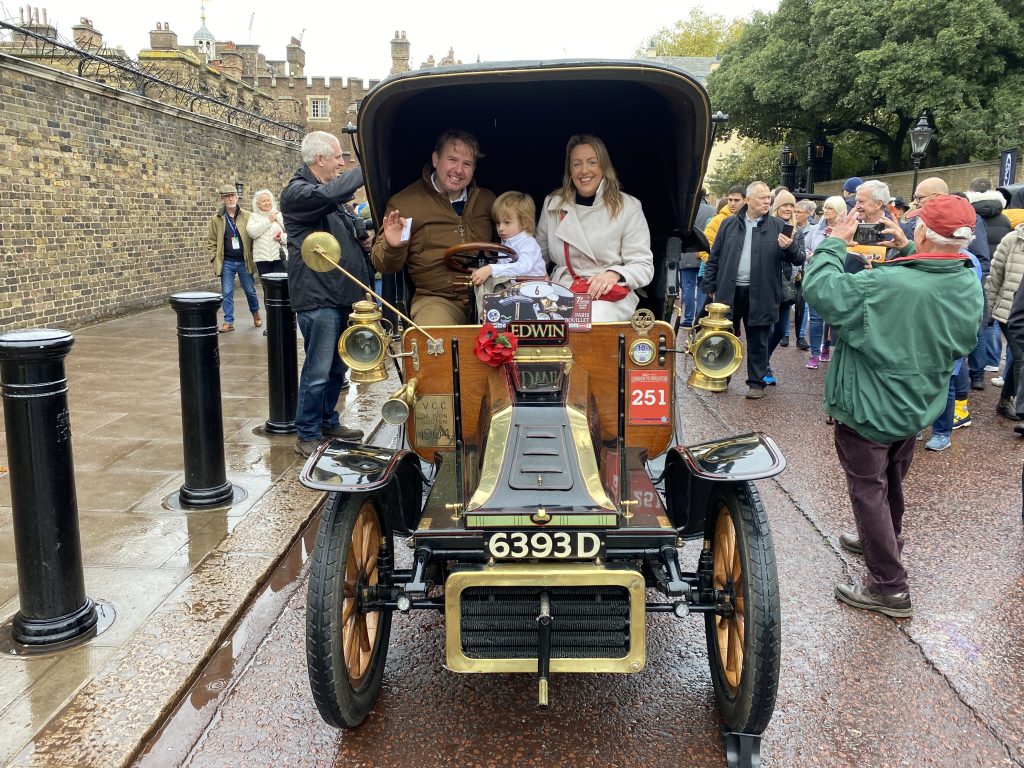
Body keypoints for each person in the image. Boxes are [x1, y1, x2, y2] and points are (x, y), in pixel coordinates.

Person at [802, 195, 983, 618]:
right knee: (892, 480)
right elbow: (938, 307)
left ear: (924, 232)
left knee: (868, 488)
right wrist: (907, 249)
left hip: (868, 403)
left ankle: (889, 586)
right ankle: (884, 541)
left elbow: (821, 291)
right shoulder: (964, 279)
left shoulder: (886, 284)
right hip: (917, 402)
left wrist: (834, 244)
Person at [280, 130, 369, 456]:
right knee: (317, 371)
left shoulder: (328, 198)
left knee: (337, 368)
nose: (342, 163)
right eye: (338, 158)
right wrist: (368, 166)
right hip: (319, 298)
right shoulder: (298, 193)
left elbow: (347, 223)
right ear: (320, 159)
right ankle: (307, 433)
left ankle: (328, 421)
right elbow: (334, 191)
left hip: (341, 294)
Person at [372, 129, 496, 325]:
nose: (459, 170)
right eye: (452, 160)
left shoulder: (488, 201)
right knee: (433, 339)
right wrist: (393, 246)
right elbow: (384, 265)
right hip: (437, 299)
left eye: (467, 164)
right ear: (436, 159)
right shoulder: (405, 203)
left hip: (490, 293)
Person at [536, 134, 654, 322]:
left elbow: (643, 266)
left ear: (604, 166)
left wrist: (614, 274)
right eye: (577, 164)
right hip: (561, 289)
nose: (584, 170)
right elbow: (537, 258)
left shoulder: (628, 206)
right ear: (570, 170)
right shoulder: (553, 204)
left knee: (590, 320)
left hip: (607, 295)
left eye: (592, 162)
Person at [701, 180, 802, 399]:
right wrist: (708, 286)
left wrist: (790, 247)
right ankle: (721, 375)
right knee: (724, 335)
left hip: (762, 292)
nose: (767, 201)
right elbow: (714, 257)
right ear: (749, 200)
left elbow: (797, 258)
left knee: (759, 338)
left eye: (769, 198)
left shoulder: (778, 225)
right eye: (762, 198)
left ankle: (756, 383)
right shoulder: (728, 224)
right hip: (729, 290)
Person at [470, 191, 546, 311]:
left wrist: (491, 269)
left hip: (534, 292)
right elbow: (503, 268)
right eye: (498, 223)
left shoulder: (528, 242)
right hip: (514, 290)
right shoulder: (506, 242)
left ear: (524, 222)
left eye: (507, 223)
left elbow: (523, 267)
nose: (501, 228)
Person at [207, 184, 259, 333]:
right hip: (227, 261)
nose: (230, 199)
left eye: (232, 196)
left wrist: (253, 255)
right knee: (227, 292)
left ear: (237, 197)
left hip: (244, 260)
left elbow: (254, 237)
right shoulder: (217, 219)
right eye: (227, 196)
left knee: (250, 290)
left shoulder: (248, 216)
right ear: (222, 199)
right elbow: (211, 240)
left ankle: (255, 313)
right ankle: (228, 321)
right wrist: (213, 258)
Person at [986, 222, 1024, 423]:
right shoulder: (1013, 240)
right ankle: (1008, 400)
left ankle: (1006, 399)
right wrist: (989, 312)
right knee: (1019, 357)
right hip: (1011, 311)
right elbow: (995, 278)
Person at [247, 189, 288, 335]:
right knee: (267, 292)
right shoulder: (254, 217)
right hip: (263, 259)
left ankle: (285, 322)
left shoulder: (280, 215)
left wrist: (282, 238)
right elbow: (252, 232)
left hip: (279, 258)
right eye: (263, 201)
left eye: (268, 200)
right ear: (258, 203)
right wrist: (268, 220)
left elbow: (291, 233)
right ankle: (271, 323)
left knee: (283, 290)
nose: (267, 203)